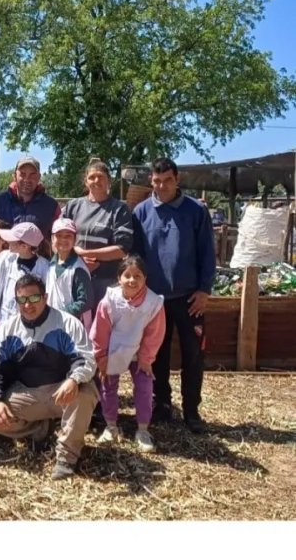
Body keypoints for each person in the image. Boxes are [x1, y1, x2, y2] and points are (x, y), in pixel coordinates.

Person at [0, 274, 98, 480]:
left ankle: (66, 457)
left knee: (85, 392)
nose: (28, 305)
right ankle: (40, 428)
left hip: (62, 392)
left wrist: (73, 379)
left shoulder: (67, 323)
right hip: (27, 394)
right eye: (22, 300)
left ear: (45, 297)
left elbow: (86, 359)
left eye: (34, 298)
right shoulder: (8, 329)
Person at [133, 157, 215, 433]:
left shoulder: (195, 211)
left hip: (191, 299)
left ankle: (192, 411)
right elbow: (137, 258)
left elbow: (207, 253)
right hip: (155, 301)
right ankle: (162, 406)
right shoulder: (141, 213)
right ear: (150, 182)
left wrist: (204, 289)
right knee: (157, 356)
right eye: (157, 181)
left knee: (193, 356)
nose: (162, 185)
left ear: (177, 179)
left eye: (167, 180)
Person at [90, 255, 166, 452]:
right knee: (108, 386)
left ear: (145, 279)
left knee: (144, 386)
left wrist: (146, 358)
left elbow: (154, 333)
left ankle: (142, 429)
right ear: (119, 278)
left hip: (139, 351)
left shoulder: (153, 303)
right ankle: (111, 426)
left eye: (138, 276)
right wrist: (101, 356)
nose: (132, 280)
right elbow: (100, 330)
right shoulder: (109, 301)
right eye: (127, 276)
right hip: (113, 349)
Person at [61, 158, 134, 304]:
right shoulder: (73, 206)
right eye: (91, 177)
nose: (96, 180)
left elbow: (122, 250)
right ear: (86, 181)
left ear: (109, 180)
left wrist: (86, 254)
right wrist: (79, 260)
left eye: (100, 176)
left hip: (106, 282)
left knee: (103, 325)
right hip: (73, 277)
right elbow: (57, 239)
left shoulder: (119, 209)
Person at [0, 155, 61, 243]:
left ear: (39, 177)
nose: (27, 179)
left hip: (39, 256)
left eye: (32, 175)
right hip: (4, 255)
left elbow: (59, 238)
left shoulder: (51, 206)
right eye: (22, 174)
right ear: (14, 176)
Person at [45, 218, 95, 329]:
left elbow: (86, 301)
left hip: (72, 325)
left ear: (75, 239)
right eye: (58, 235)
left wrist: (61, 313)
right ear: (52, 238)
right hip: (52, 323)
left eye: (68, 236)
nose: (63, 239)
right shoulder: (51, 264)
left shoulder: (78, 269)